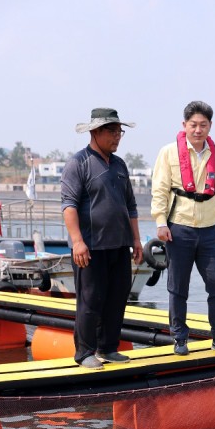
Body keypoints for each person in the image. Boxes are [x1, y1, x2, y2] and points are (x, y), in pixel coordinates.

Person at [151, 100, 215, 356]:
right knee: (178, 287)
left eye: (203, 125)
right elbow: (159, 190)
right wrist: (160, 222)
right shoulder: (168, 153)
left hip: (209, 229)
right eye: (193, 125)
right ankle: (179, 338)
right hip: (178, 228)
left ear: (210, 126)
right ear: (184, 125)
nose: (198, 130)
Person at [61, 107, 143, 370]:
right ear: (96, 132)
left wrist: (137, 240)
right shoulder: (79, 163)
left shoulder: (119, 165)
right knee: (90, 299)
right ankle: (84, 352)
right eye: (113, 131)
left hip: (119, 244)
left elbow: (130, 206)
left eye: (120, 132)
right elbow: (69, 205)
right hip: (91, 246)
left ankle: (108, 347)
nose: (118, 137)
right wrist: (77, 241)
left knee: (117, 297)